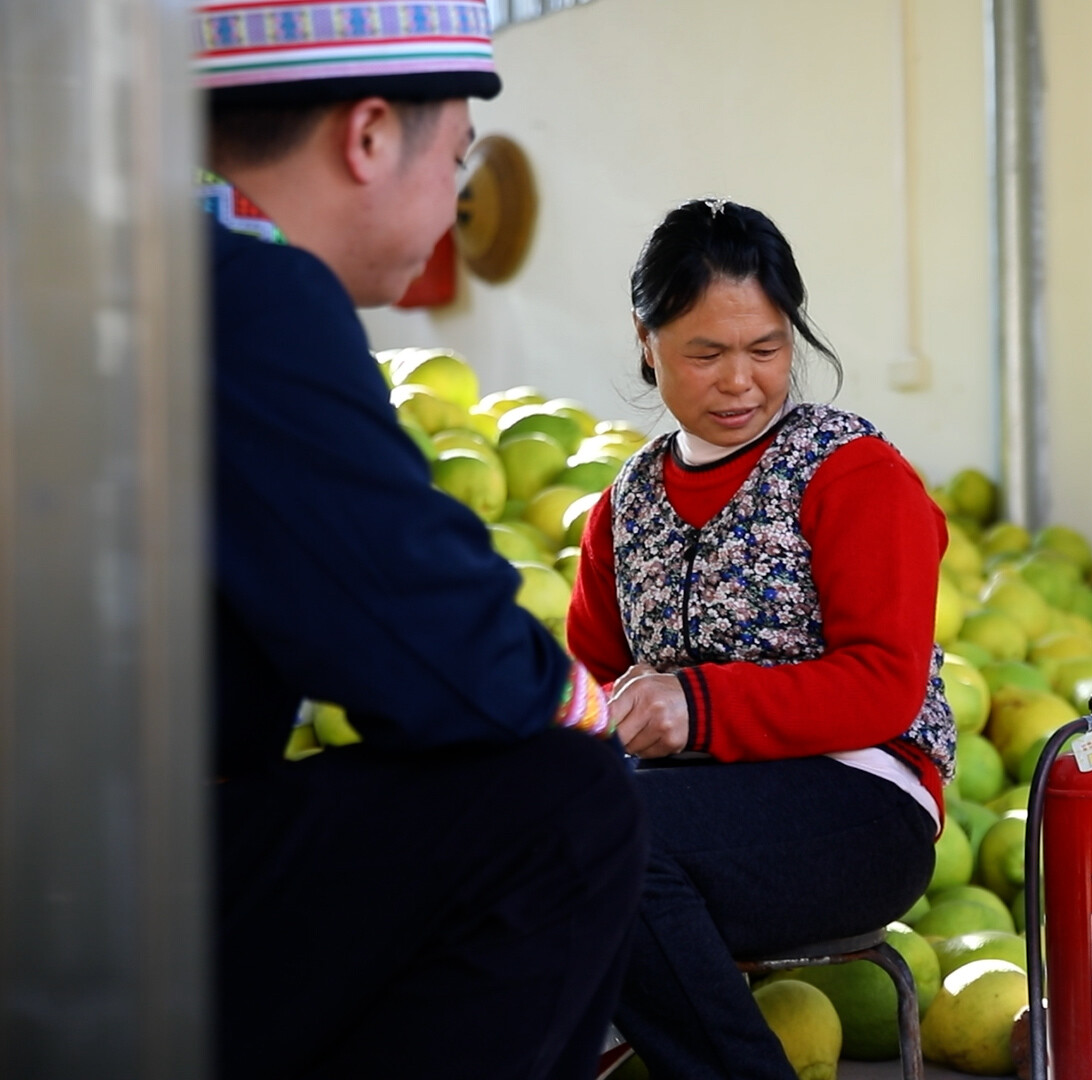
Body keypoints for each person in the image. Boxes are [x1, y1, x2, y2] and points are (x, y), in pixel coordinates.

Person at [195, 3, 647, 1076]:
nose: (455, 199)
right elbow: (444, 658)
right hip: (91, 896)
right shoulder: (243, 296)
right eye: (456, 157)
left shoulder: (105, 267)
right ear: (367, 137)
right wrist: (591, 713)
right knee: (567, 811)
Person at [565, 198, 956, 1078]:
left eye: (767, 349)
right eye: (706, 353)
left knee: (604, 834)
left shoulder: (852, 471)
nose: (740, 381)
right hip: (685, 818)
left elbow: (884, 686)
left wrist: (694, 708)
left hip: (860, 814)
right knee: (542, 826)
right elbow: (592, 683)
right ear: (646, 339)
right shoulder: (624, 506)